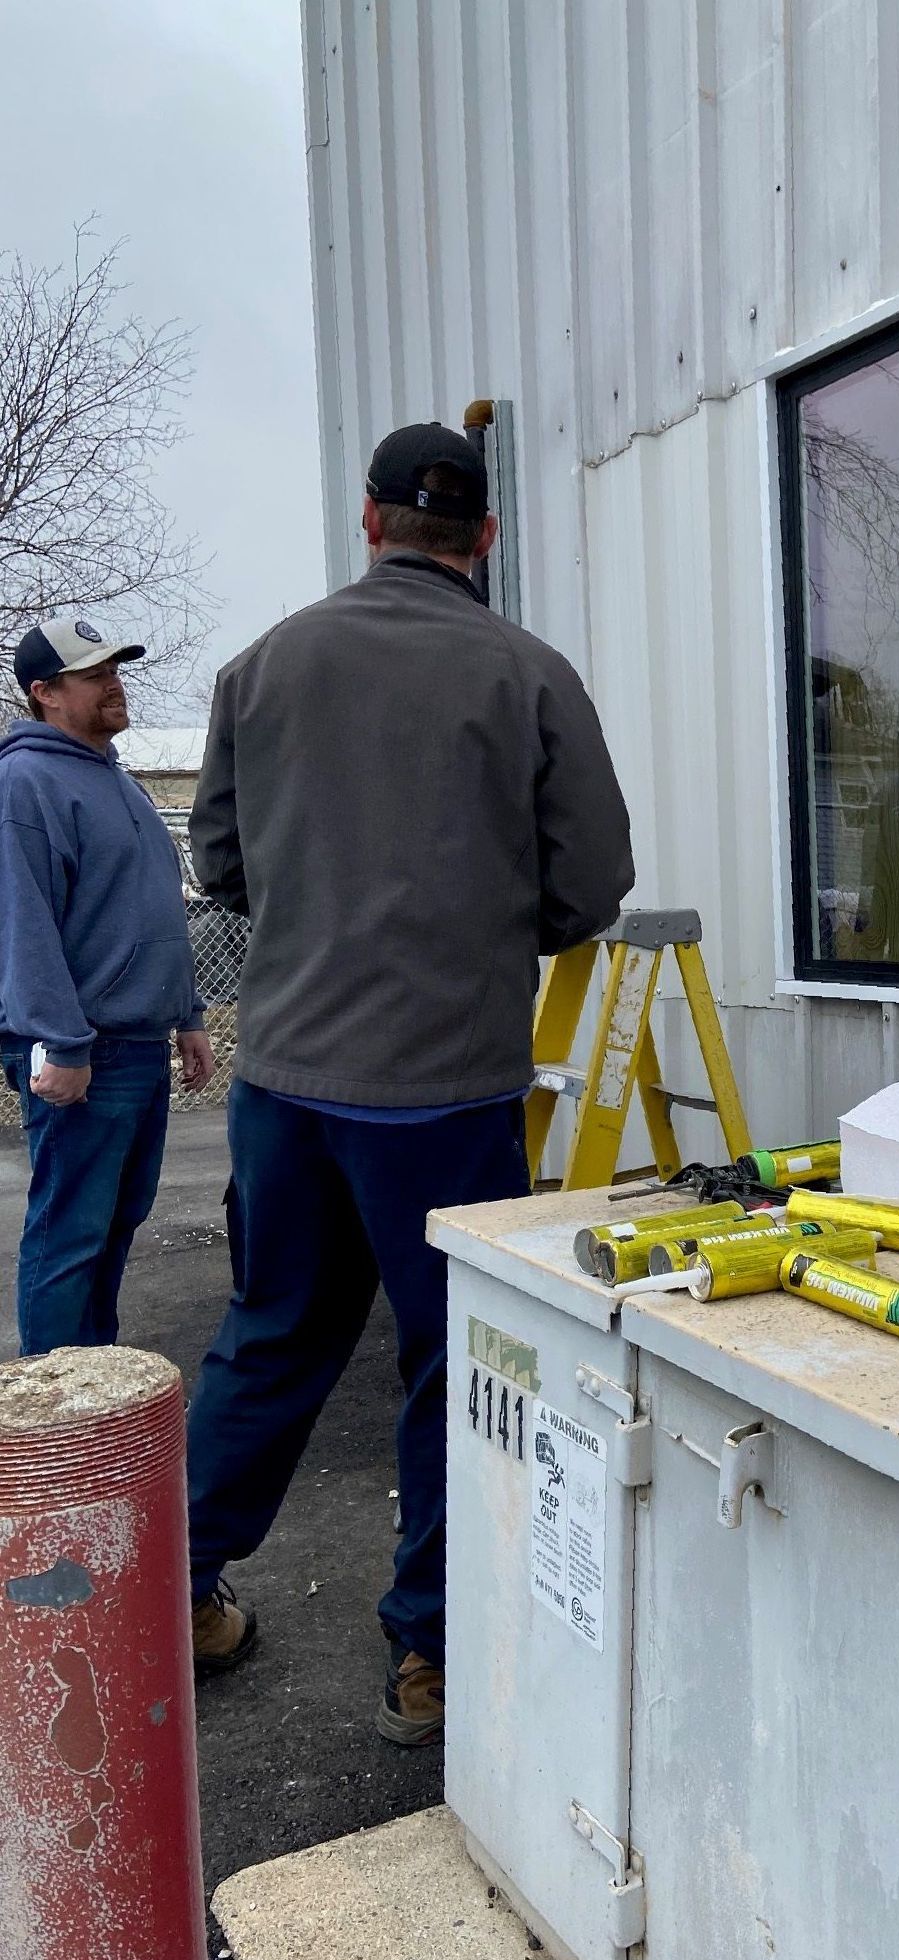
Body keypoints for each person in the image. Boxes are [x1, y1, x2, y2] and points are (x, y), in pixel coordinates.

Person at [184, 422, 634, 1742]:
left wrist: (318, 915)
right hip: (443, 1095)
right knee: (458, 1364)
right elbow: (589, 884)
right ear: (483, 538)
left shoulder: (259, 670)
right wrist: (491, 930)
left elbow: (219, 863)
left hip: (286, 1083)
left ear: (371, 522)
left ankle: (168, 1593)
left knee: (271, 1338)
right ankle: (429, 1656)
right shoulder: (528, 673)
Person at [0, 618, 215, 1357]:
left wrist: (188, 1015)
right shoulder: (24, 783)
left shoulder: (113, 779)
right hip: (80, 1048)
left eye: (115, 668)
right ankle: (51, 1411)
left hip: (135, 1040)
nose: (113, 682)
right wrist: (60, 1041)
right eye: (93, 674)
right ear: (45, 693)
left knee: (114, 1222)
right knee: (70, 1232)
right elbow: (23, 927)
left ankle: (98, 1385)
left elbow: (148, 907)